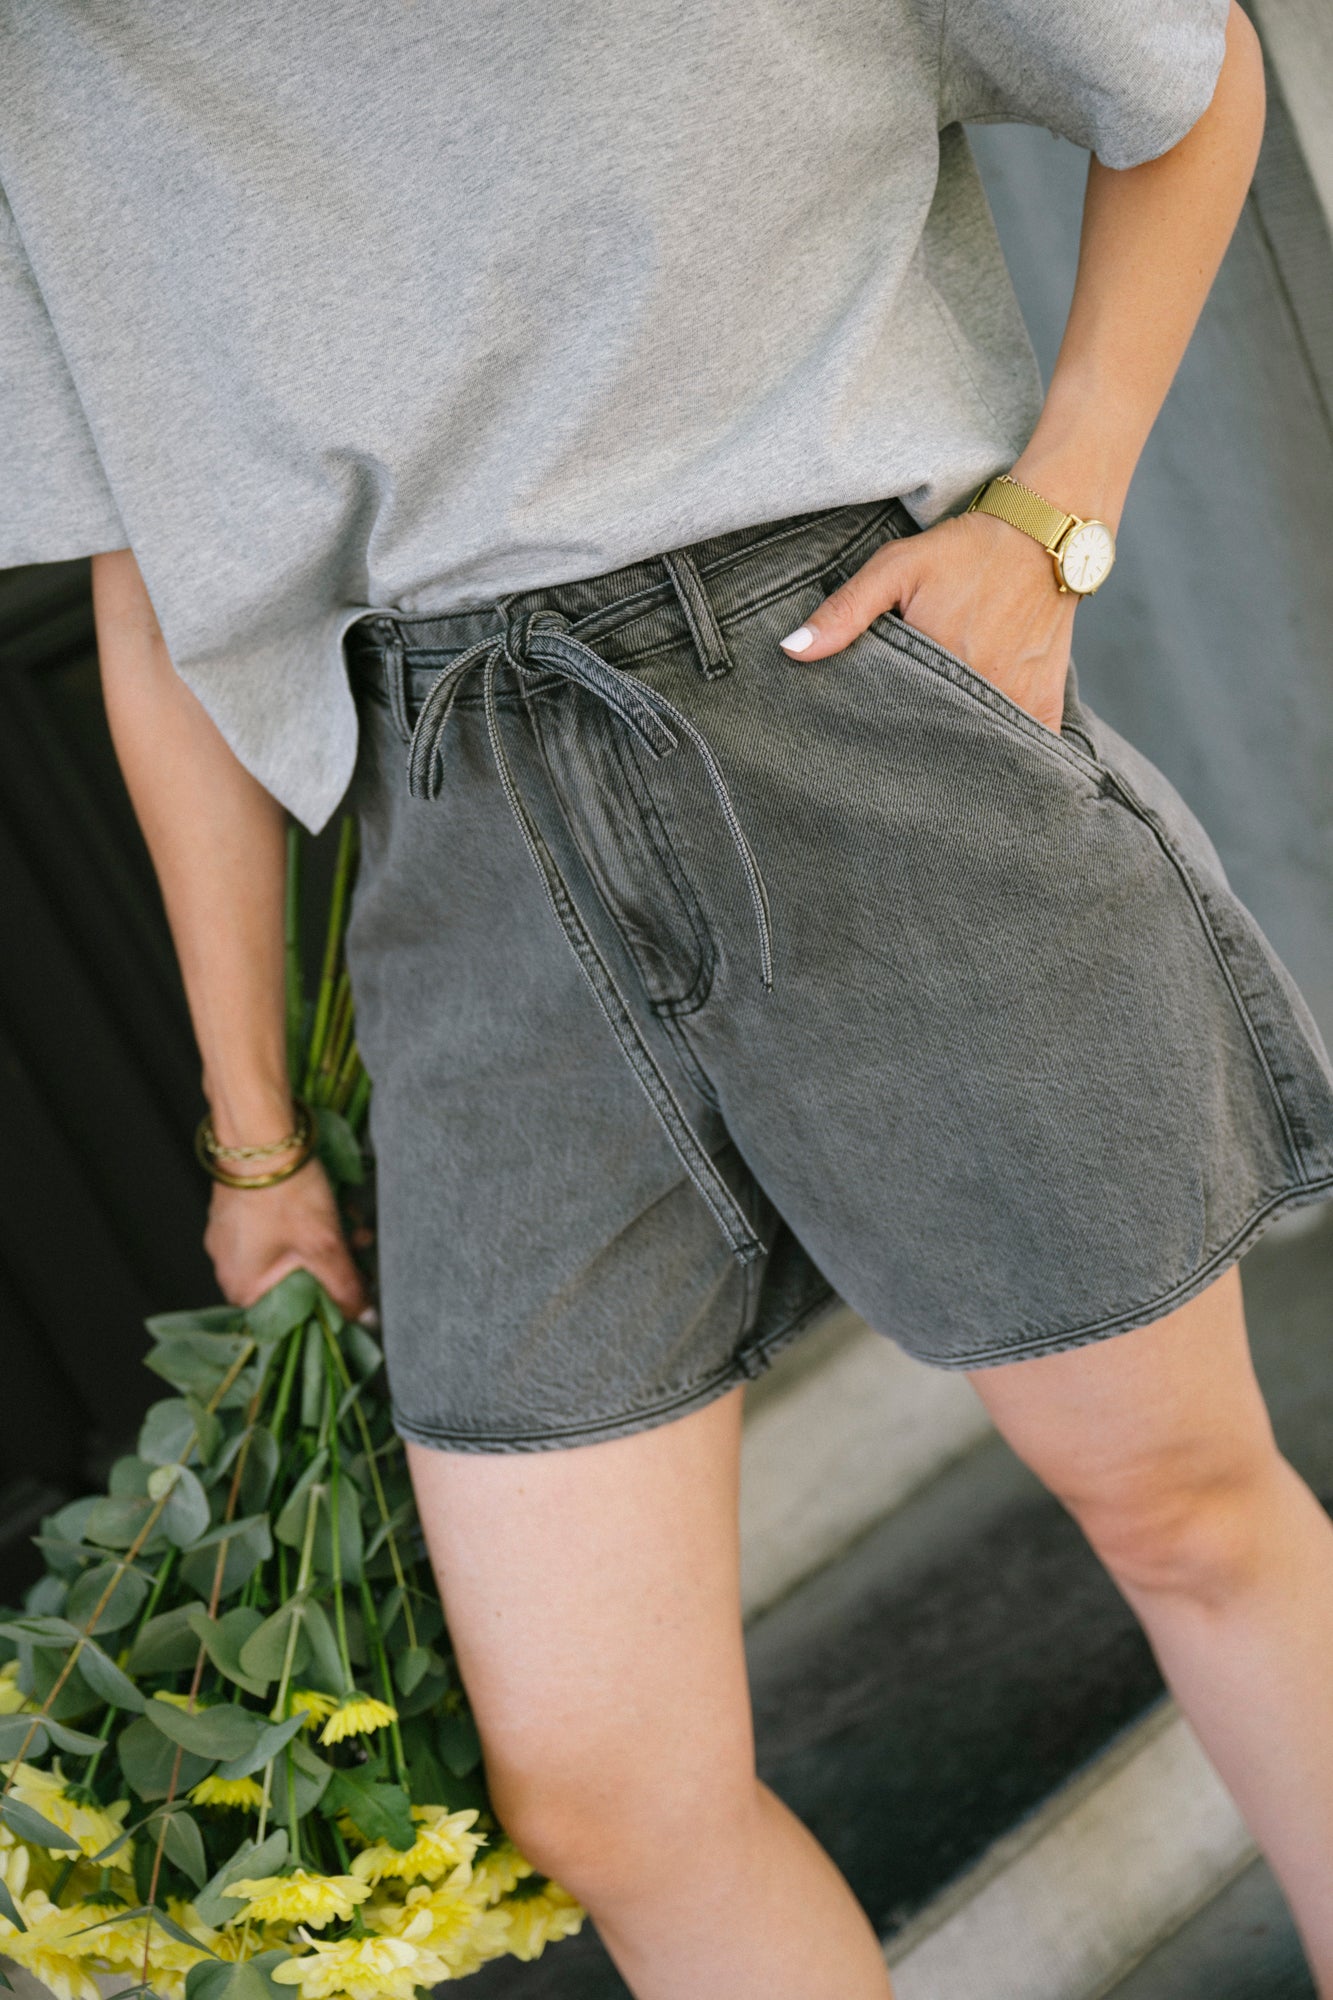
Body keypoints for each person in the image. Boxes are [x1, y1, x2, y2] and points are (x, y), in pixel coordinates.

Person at [6, 3, 1333, 1993]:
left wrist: (1053, 513)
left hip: (847, 693)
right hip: (457, 831)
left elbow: (1187, 68)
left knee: (1186, 1513)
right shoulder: (48, 60)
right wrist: (253, 1137)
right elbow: (156, 602)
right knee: (604, 1787)